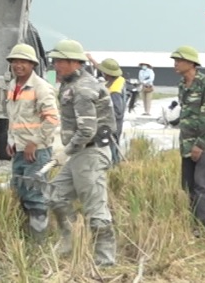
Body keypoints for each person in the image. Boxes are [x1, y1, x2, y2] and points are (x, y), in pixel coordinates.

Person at [46, 39, 117, 267]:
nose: (55, 65)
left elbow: (87, 130)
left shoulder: (84, 88)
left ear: (74, 63)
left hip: (90, 154)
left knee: (95, 210)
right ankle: (71, 239)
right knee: (55, 195)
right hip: (80, 153)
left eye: (59, 61)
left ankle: (105, 261)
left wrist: (65, 152)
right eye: (54, 61)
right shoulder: (70, 84)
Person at [3, 43, 59, 242]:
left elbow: (52, 118)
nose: (18, 65)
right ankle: (26, 239)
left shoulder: (41, 87)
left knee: (35, 198)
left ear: (32, 64)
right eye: (14, 62)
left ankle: (38, 245)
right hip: (19, 150)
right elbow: (14, 118)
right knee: (20, 192)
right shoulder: (12, 86)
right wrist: (11, 141)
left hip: (36, 152)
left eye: (23, 62)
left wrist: (34, 142)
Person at [172, 45, 205, 232]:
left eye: (179, 60)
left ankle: (202, 228)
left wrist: (199, 144)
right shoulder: (182, 85)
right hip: (186, 143)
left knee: (201, 187)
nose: (175, 64)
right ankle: (193, 225)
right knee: (188, 186)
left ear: (191, 63)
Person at [93, 57, 126, 164]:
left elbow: (118, 111)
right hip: (114, 123)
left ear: (107, 73)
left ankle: (114, 169)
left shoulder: (115, 90)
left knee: (112, 150)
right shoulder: (119, 80)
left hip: (113, 125)